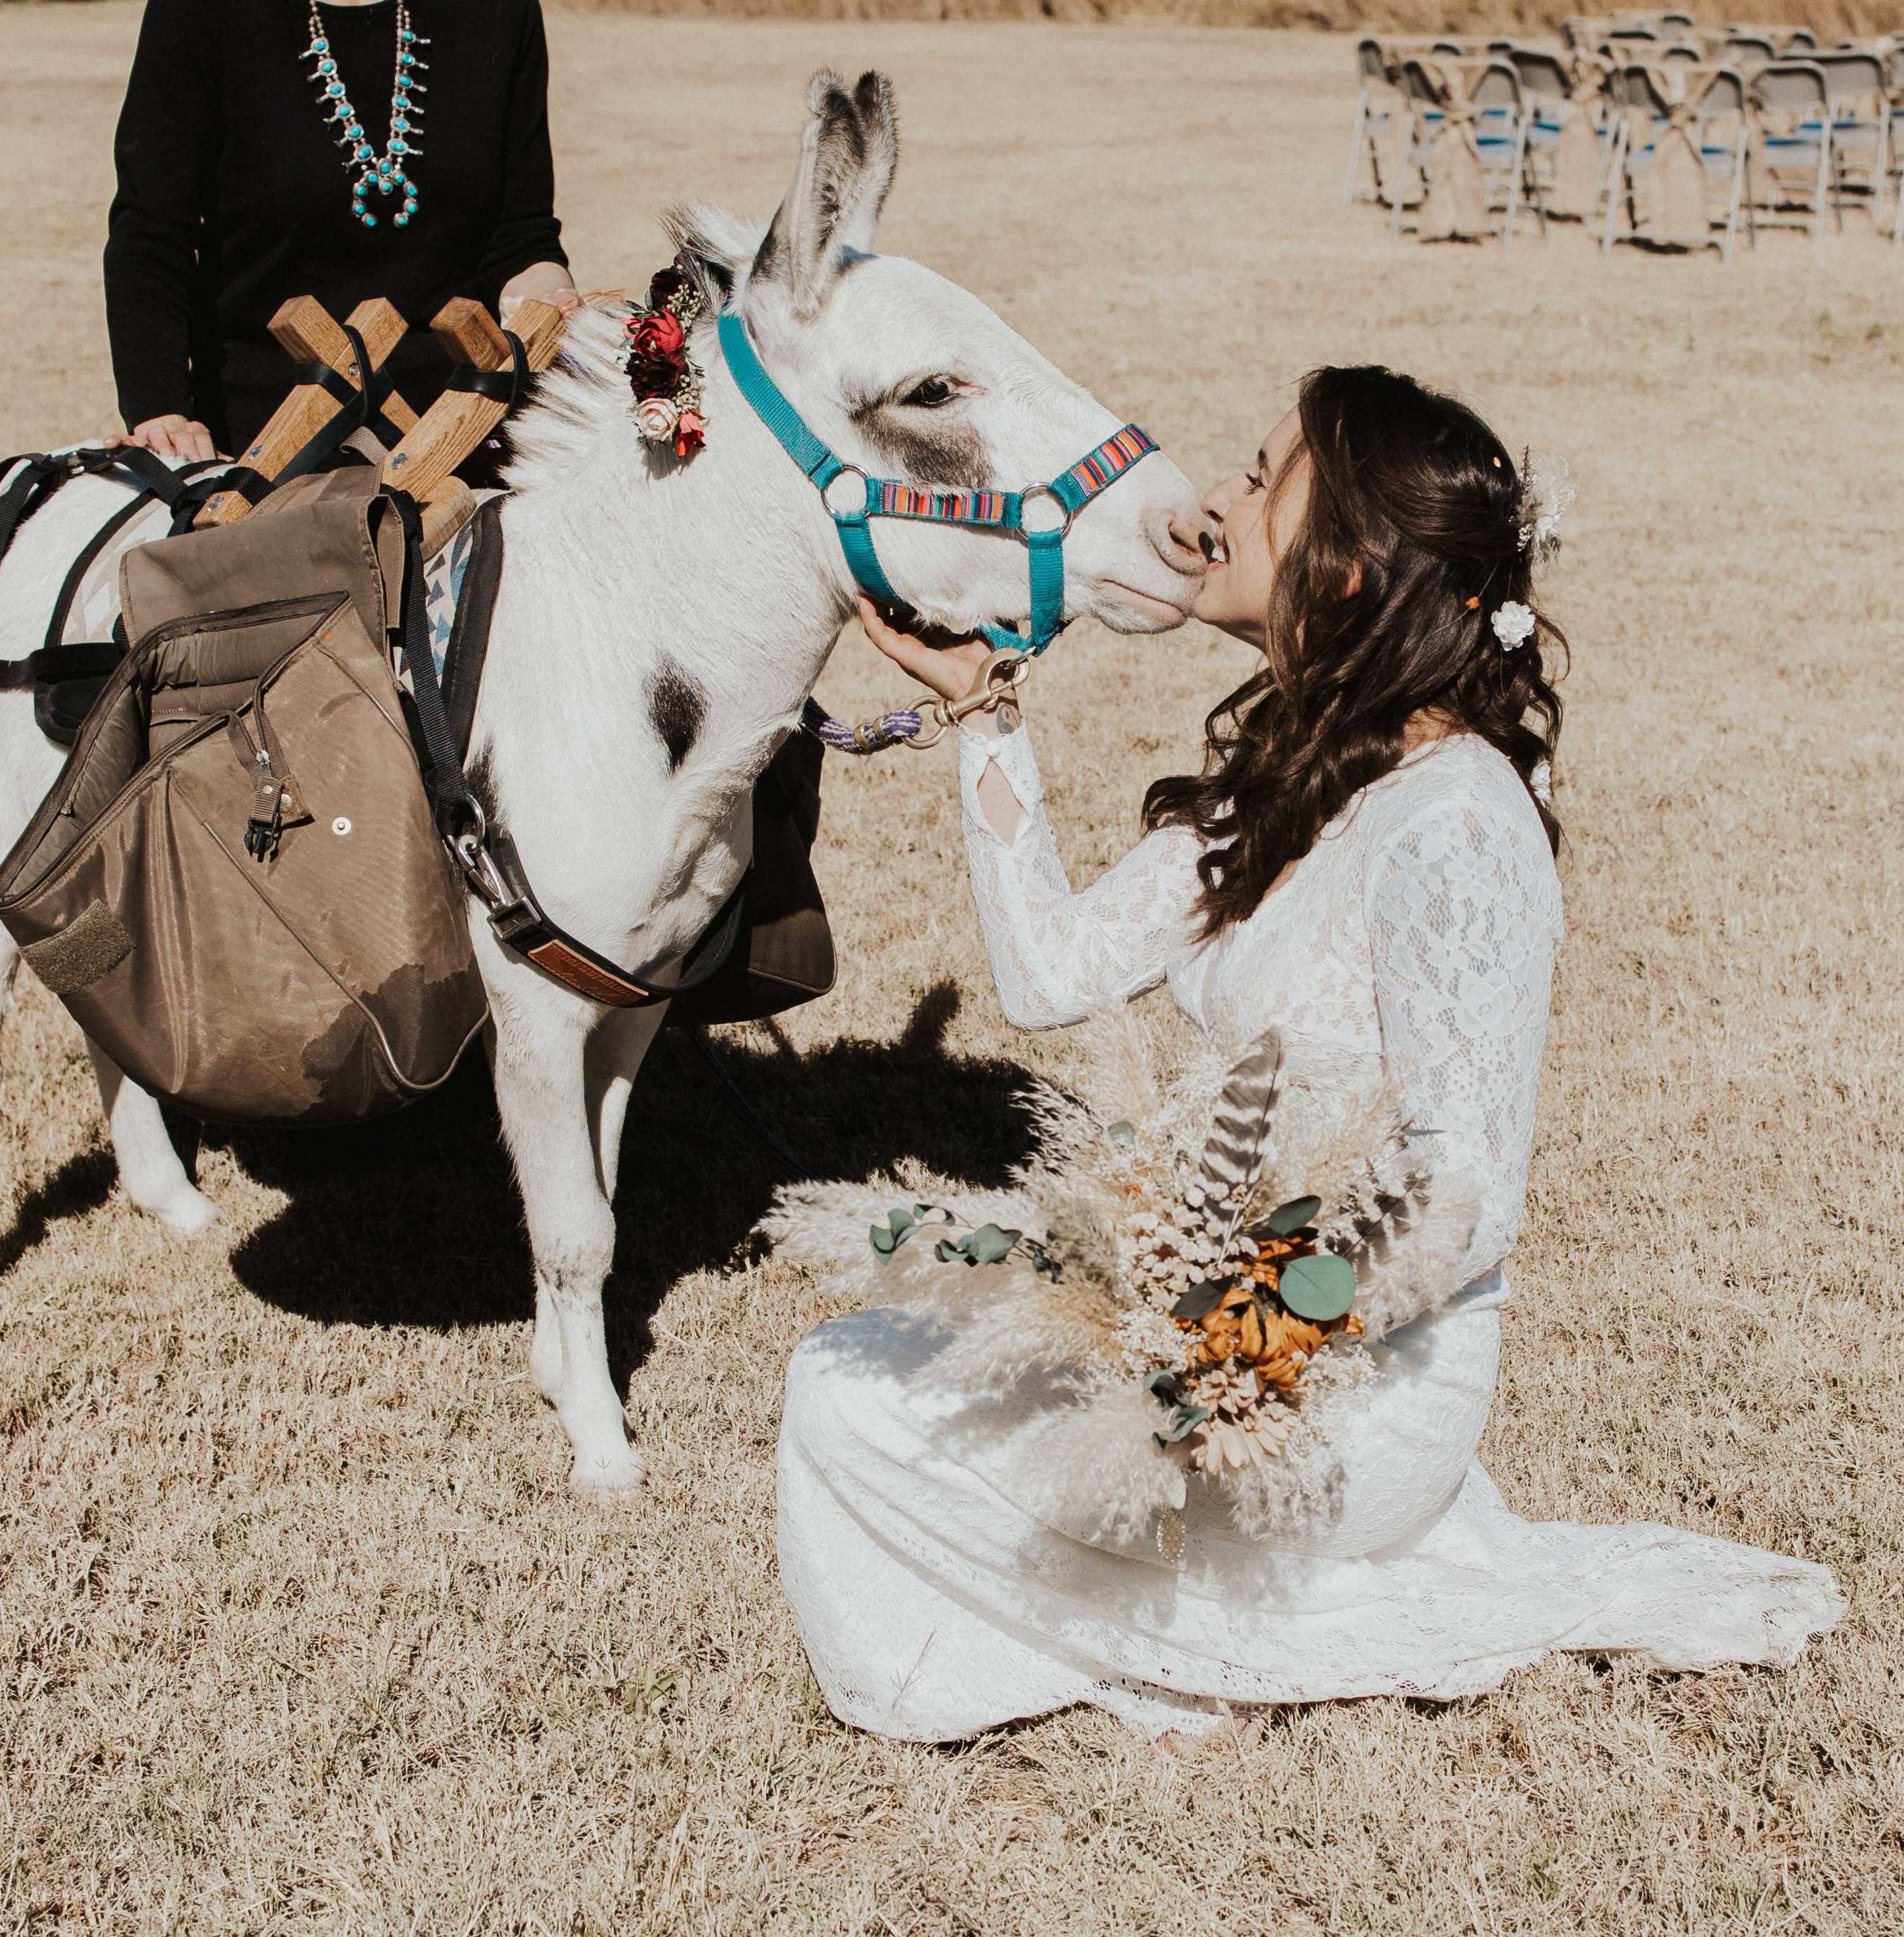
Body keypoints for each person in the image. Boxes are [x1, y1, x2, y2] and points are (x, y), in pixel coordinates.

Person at [774, 367, 1844, 1743]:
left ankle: (1206, 1634)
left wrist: (1246, 1344)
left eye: (1261, 474)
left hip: (1352, 1387)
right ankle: (1146, 1592)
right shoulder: (1284, 785)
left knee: (855, 1412)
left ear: (1346, 571)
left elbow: (1464, 1195)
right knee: (852, 1367)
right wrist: (988, 713)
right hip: (1214, 1324)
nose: (1217, 496)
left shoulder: (1455, 825)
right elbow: (1050, 974)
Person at [103, 0, 577, 461]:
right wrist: (160, 413)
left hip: (462, 431)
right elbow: (151, 232)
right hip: (265, 438)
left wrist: (554, 306)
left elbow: (519, 237)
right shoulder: (199, 12)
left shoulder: (499, 11)